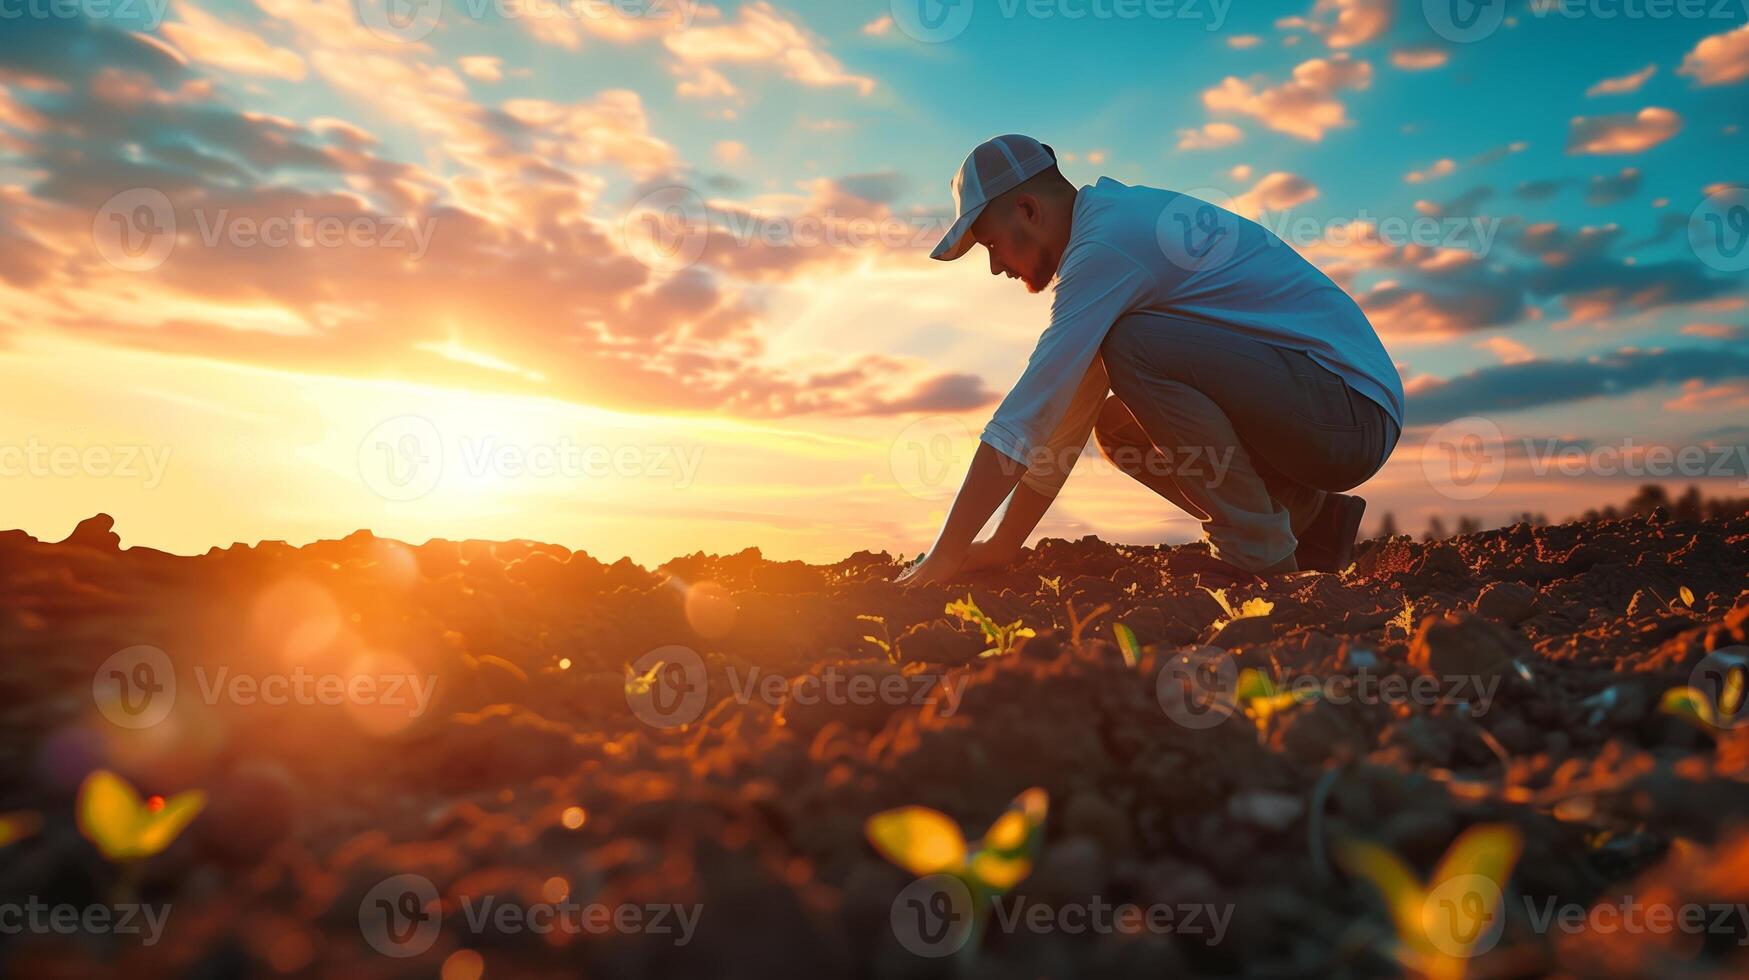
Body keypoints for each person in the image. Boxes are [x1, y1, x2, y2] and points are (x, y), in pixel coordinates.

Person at [896, 134, 1403, 588]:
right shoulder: (1110, 236)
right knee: (1117, 425)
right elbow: (1062, 421)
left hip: (1347, 410)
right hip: (1330, 408)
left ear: (1028, 210)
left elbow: (1023, 416)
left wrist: (944, 556)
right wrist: (1003, 545)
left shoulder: (1106, 247)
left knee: (1131, 344)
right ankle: (1311, 523)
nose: (995, 266)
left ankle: (1257, 554)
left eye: (991, 244)